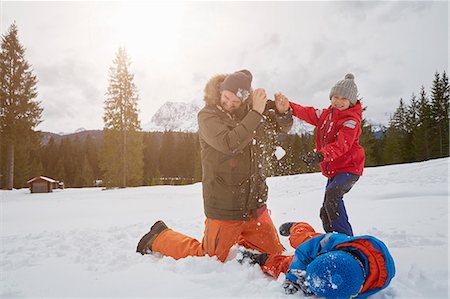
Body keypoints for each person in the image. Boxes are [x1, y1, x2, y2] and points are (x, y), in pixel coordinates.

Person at [136, 69, 293, 262]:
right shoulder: (208, 116)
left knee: (276, 254)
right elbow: (230, 144)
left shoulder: (254, 109)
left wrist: (282, 111)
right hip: (225, 204)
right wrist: (256, 113)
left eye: (236, 102)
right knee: (210, 258)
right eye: (226, 97)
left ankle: (243, 239)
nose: (229, 104)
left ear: (244, 100)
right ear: (221, 90)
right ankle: (159, 237)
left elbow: (282, 127)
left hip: (255, 204)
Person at [277, 73, 365, 236]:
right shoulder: (326, 115)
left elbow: (342, 145)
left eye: (343, 99)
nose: (338, 101)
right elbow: (307, 112)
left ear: (351, 102)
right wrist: (289, 105)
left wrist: (320, 155)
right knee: (326, 210)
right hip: (334, 169)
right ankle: (331, 238)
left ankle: (346, 240)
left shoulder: (351, 121)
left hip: (349, 168)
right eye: (335, 97)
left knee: (332, 196)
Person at [239, 222, 396, 298]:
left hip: (336, 262)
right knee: (300, 239)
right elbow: (303, 252)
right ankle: (298, 226)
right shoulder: (333, 242)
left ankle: (262, 260)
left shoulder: (364, 288)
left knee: (286, 265)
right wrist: (293, 277)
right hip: (329, 248)